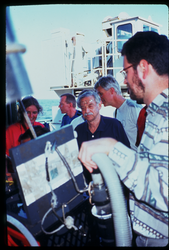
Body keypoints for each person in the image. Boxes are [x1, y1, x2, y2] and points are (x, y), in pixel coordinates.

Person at [78, 31, 168, 247]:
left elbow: (165, 193)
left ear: (143, 68)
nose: (125, 80)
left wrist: (112, 147)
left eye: (126, 71)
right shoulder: (155, 113)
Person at [75, 89, 130, 183]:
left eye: (90, 106)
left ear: (99, 105)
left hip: (114, 182)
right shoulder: (78, 130)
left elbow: (127, 153)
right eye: (83, 108)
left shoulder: (114, 125)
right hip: (89, 185)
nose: (87, 110)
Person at [94, 75, 142, 151]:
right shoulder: (116, 113)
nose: (99, 97)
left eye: (101, 93)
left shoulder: (134, 108)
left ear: (111, 91)